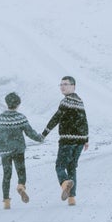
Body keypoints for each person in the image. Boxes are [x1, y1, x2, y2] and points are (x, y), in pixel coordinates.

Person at [0, 92, 44, 209]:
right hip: (18, 149)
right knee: (21, 171)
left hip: (4, 151)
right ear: (18, 104)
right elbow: (30, 132)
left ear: (7, 103)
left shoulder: (0, 118)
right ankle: (21, 186)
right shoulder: (20, 118)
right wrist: (39, 138)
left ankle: (6, 201)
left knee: (7, 175)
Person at [41, 75, 89, 206]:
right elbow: (84, 120)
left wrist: (44, 133)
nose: (62, 86)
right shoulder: (80, 101)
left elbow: (56, 118)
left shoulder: (65, 101)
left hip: (67, 141)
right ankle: (72, 198)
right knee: (72, 168)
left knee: (60, 166)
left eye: (66, 84)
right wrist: (86, 139)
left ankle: (65, 184)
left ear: (73, 86)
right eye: (61, 84)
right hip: (79, 142)